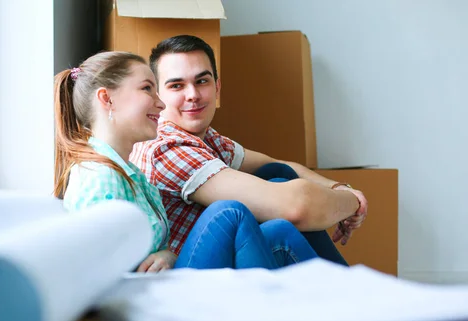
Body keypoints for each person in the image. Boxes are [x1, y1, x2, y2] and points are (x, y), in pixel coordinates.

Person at [53, 51, 318, 272]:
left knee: (279, 228)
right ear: (106, 99)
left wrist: (168, 255)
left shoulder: (125, 169)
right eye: (147, 89)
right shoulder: (101, 178)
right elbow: (99, 276)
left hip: (165, 277)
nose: (160, 104)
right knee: (228, 212)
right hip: (145, 301)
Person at [130, 35, 368, 266]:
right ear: (158, 97)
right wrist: (352, 203)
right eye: (177, 85)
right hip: (185, 274)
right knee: (280, 229)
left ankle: (343, 290)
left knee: (276, 173)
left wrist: (337, 187)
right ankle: (349, 295)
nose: (192, 95)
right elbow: (297, 207)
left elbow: (278, 164)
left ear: (217, 87)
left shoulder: (206, 138)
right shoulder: (167, 147)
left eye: (202, 81)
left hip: (214, 258)